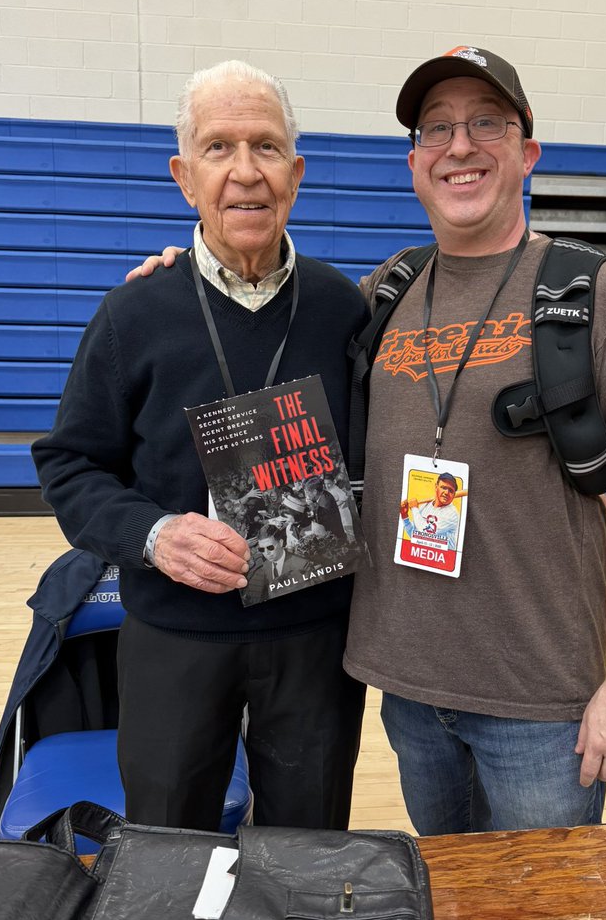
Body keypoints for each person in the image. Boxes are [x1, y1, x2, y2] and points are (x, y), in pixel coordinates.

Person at [131, 46, 606, 838]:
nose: (459, 147)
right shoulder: (382, 294)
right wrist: (183, 275)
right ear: (414, 163)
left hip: (539, 707)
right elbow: (256, 315)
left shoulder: (603, 296)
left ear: (528, 152)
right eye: (436, 130)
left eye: (485, 125)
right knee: (454, 915)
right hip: (405, 693)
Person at [33, 60, 368, 834]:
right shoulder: (133, 313)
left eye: (267, 147)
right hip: (175, 636)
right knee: (166, 847)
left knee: (307, 850)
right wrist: (153, 535)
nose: (246, 172)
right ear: (185, 177)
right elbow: (69, 463)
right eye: (219, 148)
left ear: (297, 171)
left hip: (314, 637)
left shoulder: (342, 308)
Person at [400, 471, 461, 551]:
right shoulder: (424, 506)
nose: (446, 492)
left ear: (453, 494)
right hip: (424, 553)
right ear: (436, 487)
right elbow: (415, 534)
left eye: (451, 490)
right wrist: (405, 516)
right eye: (443, 487)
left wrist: (414, 509)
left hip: (444, 557)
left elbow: (426, 533)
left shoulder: (452, 514)